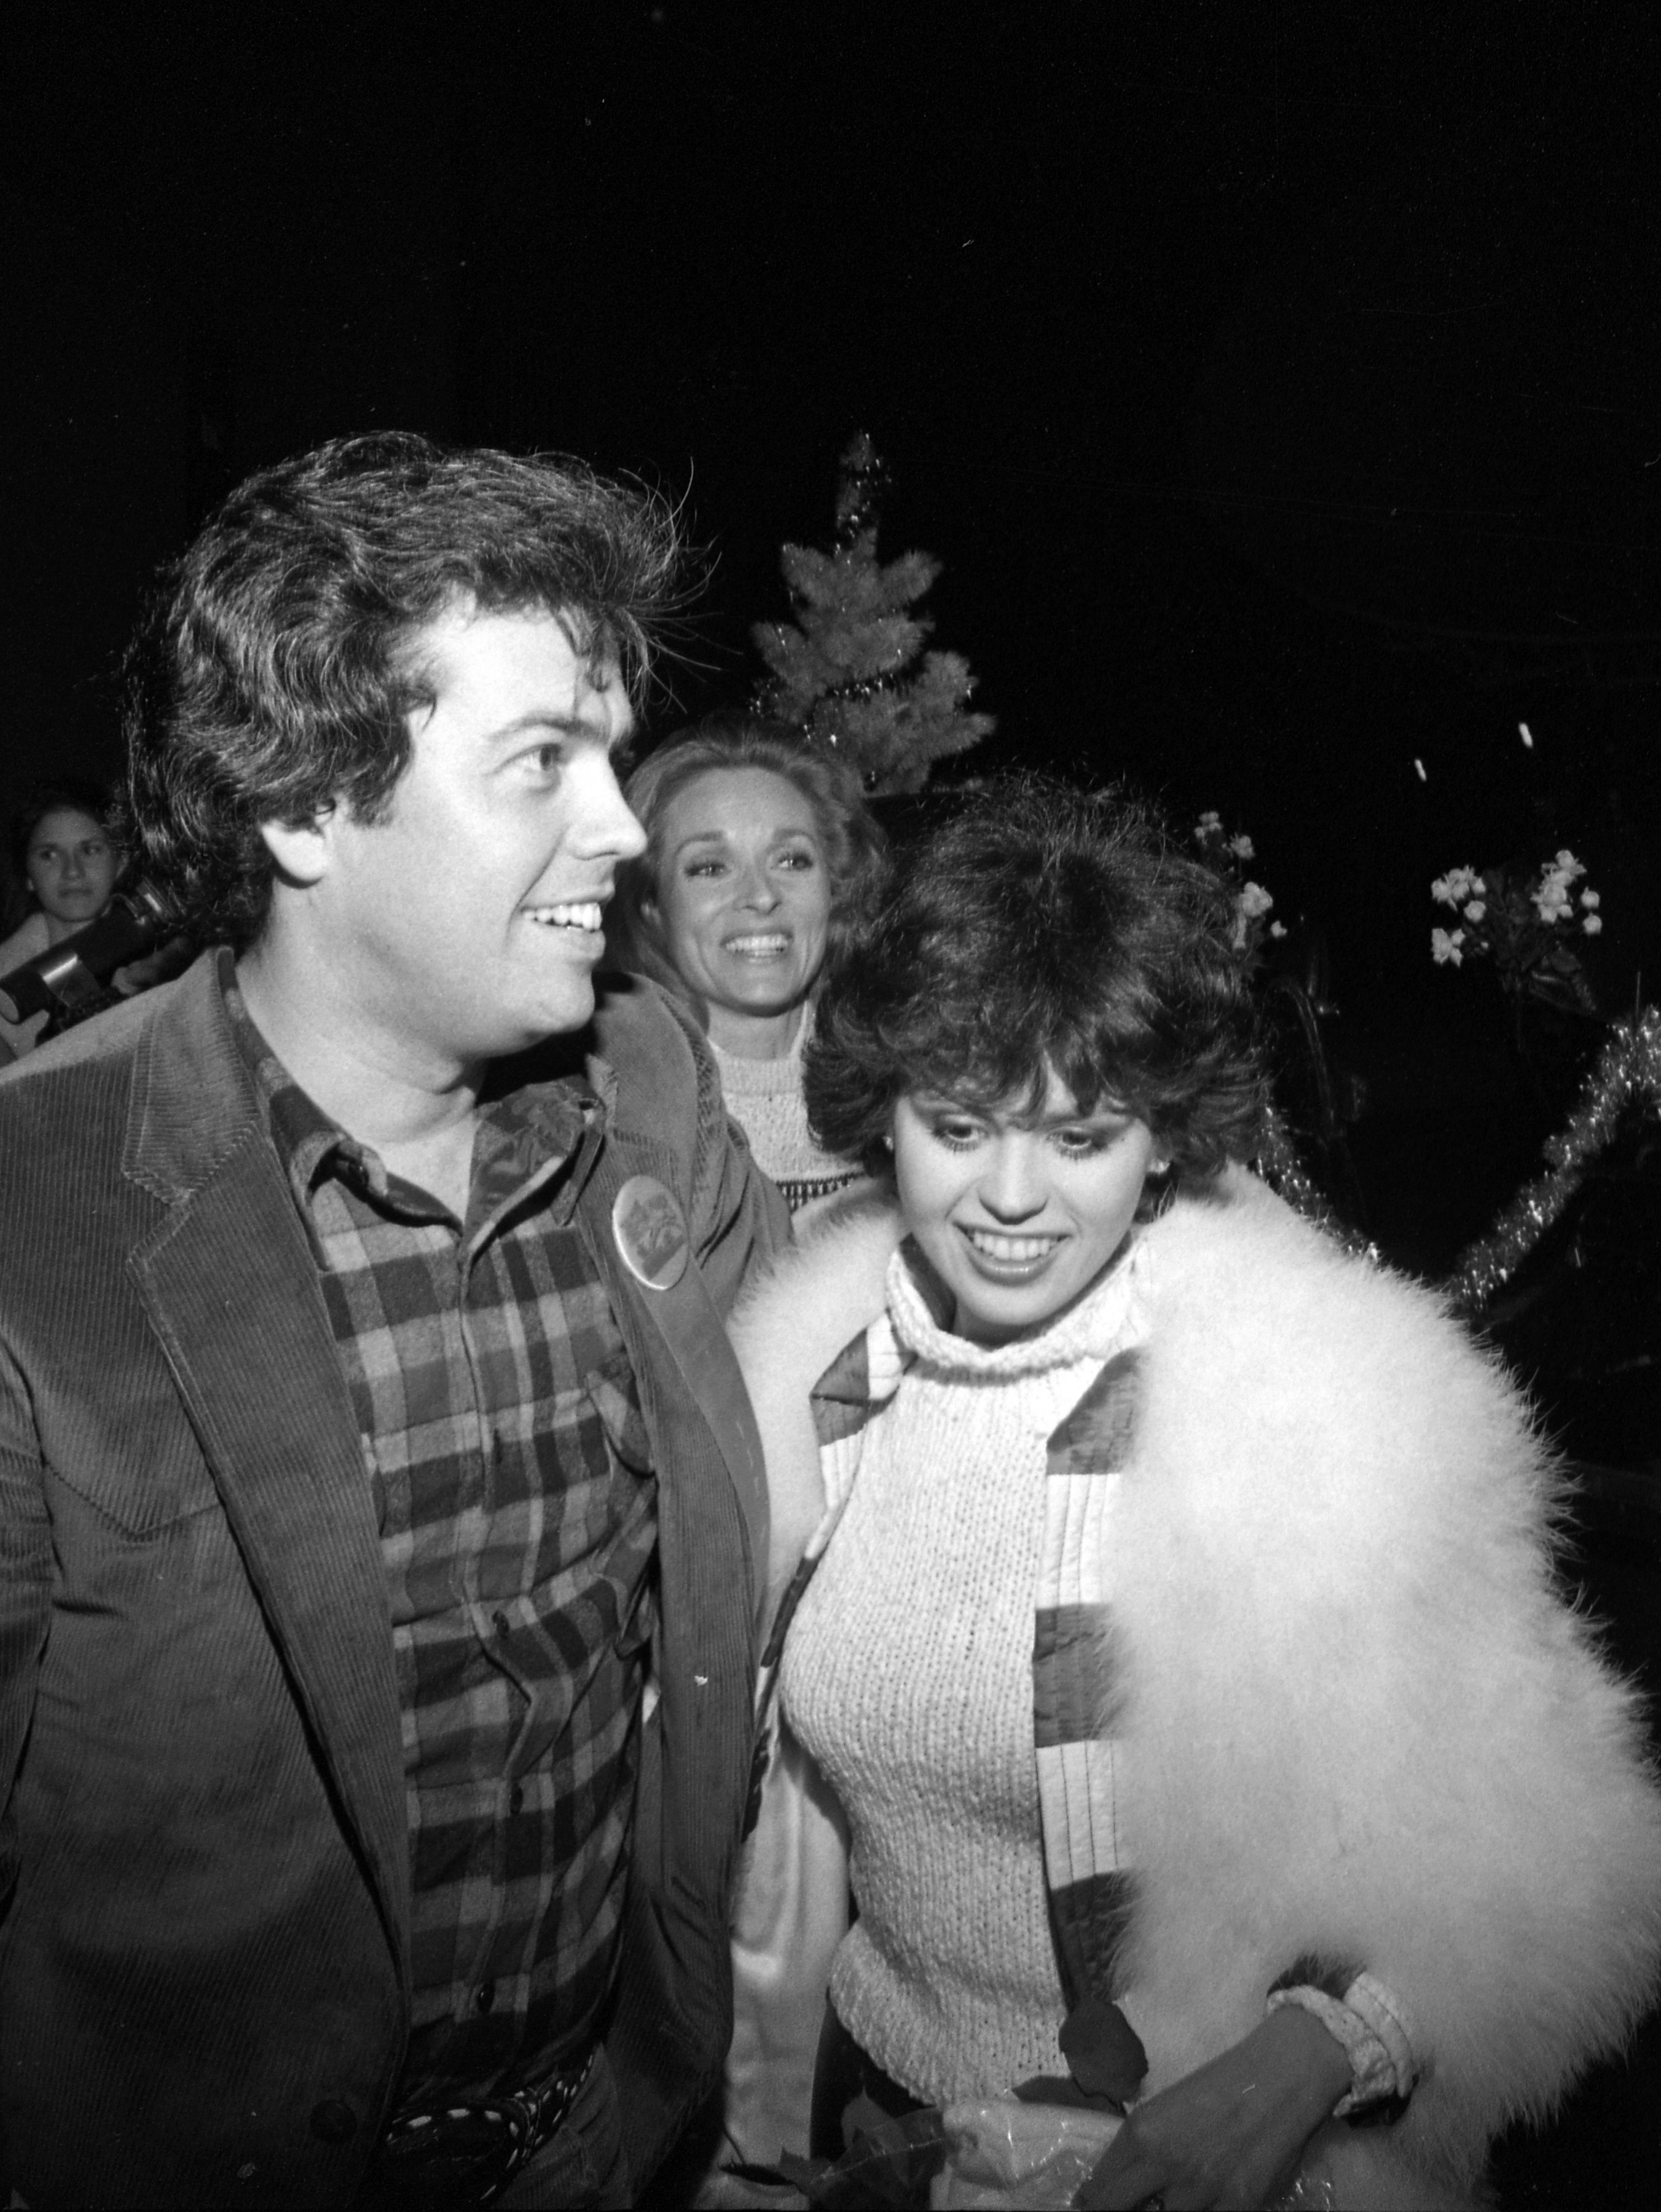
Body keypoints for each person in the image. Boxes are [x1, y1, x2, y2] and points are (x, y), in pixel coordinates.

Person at [0, 433, 788, 2210]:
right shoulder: (35, 1209)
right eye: (540, 765)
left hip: (606, 2147)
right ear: (298, 805)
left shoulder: (652, 1095)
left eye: (608, 755)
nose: (619, 826)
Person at [723, 783, 1661, 2208]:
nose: (1014, 1194)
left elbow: (1576, 1854)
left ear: (1162, 1137)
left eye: (1080, 1136)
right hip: (889, 2132)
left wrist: (1305, 2063)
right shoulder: (801, 1380)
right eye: (961, 1126)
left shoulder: (1328, 1400)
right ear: (882, 1120)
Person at [615, 713, 882, 1213]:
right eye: (710, 868)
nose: (760, 896)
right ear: (652, 905)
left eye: (791, 860)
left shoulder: (901, 1075)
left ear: (835, 886)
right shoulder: (614, 1103)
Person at [0, 777, 124, 1055]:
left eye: (90, 850)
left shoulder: (166, 964)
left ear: (121, 862)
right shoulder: (6, 987)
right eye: (50, 855)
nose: (72, 871)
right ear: (28, 875)